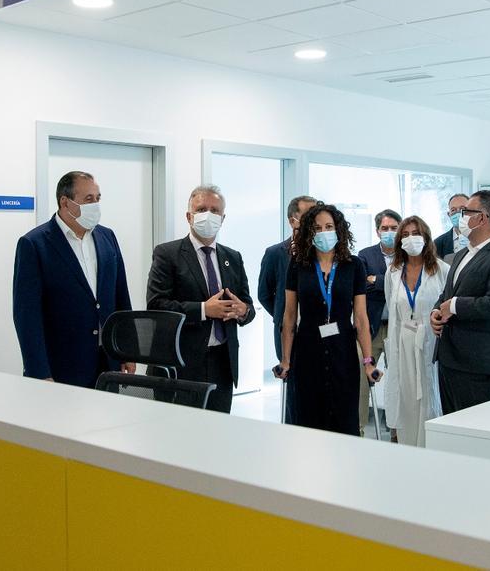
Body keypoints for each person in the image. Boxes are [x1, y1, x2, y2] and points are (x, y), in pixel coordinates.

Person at [13, 171, 134, 386]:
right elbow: (26, 315)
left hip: (107, 362)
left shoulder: (107, 237)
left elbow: (121, 296)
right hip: (61, 366)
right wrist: (38, 371)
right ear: (65, 202)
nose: (95, 205)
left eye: (97, 198)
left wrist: (127, 350)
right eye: (88, 199)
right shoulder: (34, 244)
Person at [147, 185, 255, 413]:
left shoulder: (232, 257)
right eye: (202, 209)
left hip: (222, 363)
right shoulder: (167, 254)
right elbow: (157, 306)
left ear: (223, 218)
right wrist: (205, 309)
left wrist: (242, 310)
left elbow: (248, 306)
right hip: (181, 364)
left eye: (215, 210)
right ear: (189, 216)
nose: (209, 215)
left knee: (217, 435)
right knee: (180, 437)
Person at [275, 203, 377, 435]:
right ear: (310, 232)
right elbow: (290, 317)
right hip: (307, 351)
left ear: (338, 230)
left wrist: (368, 361)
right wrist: (286, 360)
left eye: (329, 226)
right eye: (317, 228)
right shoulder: (298, 266)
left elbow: (360, 318)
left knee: (344, 419)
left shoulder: (353, 266)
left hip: (344, 353)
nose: (323, 232)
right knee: (310, 420)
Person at [429, 190, 490, 414]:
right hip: (450, 359)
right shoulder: (462, 254)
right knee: (452, 430)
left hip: (480, 365)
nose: (460, 218)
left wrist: (453, 306)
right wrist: (436, 312)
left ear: (481, 217)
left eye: (465, 212)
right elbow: (447, 294)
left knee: (478, 434)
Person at [383, 216, 448, 446]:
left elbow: (447, 307)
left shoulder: (441, 270)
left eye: (416, 233)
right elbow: (392, 307)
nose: (411, 239)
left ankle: (430, 449)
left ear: (426, 237)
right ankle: (408, 449)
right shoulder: (393, 272)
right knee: (406, 399)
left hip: (430, 342)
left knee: (429, 397)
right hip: (402, 343)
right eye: (406, 234)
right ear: (400, 241)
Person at [257, 195, 316, 423]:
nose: (314, 220)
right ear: (293, 221)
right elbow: (264, 293)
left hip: (318, 329)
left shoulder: (323, 253)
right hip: (287, 332)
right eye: (308, 215)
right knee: (293, 389)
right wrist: (285, 318)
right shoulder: (275, 253)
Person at [357, 208, 401, 436]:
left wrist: (378, 281)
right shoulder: (365, 255)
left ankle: (397, 430)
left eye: (394, 228)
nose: (389, 232)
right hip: (372, 327)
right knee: (363, 377)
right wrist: (390, 283)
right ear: (377, 231)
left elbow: (408, 286)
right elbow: (362, 286)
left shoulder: (409, 254)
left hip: (399, 328)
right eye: (385, 228)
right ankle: (359, 428)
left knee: (399, 377)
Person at [434, 193, 469, 260]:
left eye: (462, 208)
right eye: (453, 210)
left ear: (471, 211)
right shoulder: (437, 244)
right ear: (449, 214)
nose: (458, 212)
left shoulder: (481, 238)